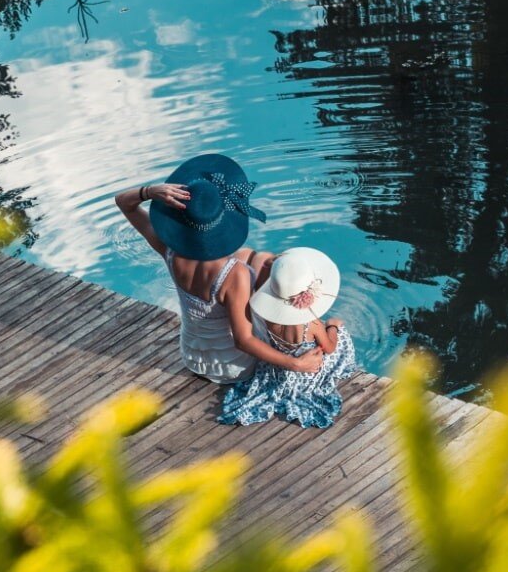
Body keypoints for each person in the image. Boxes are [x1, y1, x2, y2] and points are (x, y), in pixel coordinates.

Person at [114, 154, 323, 383]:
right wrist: (297, 364)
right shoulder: (235, 275)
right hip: (232, 366)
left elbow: (124, 202)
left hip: (192, 357)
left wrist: (150, 192)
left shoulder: (169, 250)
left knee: (253, 257)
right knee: (270, 265)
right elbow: (243, 341)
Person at [218, 247, 357, 428]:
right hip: (307, 374)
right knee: (341, 333)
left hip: (277, 370)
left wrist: (270, 265)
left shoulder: (269, 316)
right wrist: (332, 326)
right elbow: (329, 347)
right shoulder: (312, 324)